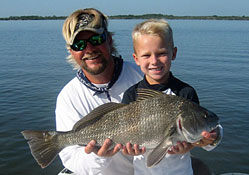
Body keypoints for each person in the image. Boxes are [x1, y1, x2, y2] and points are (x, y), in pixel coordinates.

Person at [121, 19, 223, 175]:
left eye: (161, 53)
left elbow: (199, 136)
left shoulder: (185, 93)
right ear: (136, 59)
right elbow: (123, 138)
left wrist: (195, 143)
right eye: (146, 55)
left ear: (173, 53)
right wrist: (126, 149)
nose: (154, 61)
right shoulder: (131, 95)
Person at [56, 8, 143, 175]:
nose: (89, 49)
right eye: (79, 44)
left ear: (109, 40)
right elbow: (71, 159)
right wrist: (98, 156)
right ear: (71, 51)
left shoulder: (143, 76)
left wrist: (206, 141)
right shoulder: (68, 97)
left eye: (96, 39)